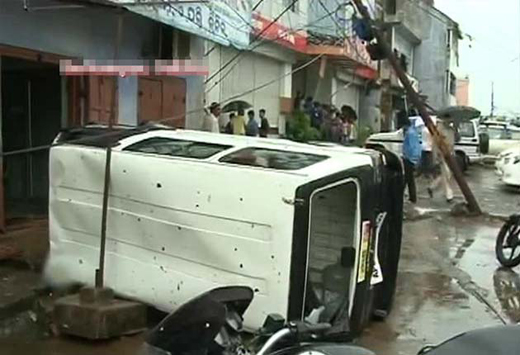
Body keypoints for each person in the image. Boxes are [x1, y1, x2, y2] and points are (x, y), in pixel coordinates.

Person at [427, 117, 455, 202]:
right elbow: (435, 144)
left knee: (447, 174)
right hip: (442, 155)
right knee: (446, 174)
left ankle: (432, 187)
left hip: (449, 154)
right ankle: (449, 195)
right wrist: (435, 156)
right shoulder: (439, 130)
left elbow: (453, 141)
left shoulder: (451, 130)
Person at [402, 117, 422, 204]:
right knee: (409, 179)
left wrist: (411, 157)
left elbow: (411, 147)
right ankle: (411, 196)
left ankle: (409, 196)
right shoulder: (413, 132)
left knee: (407, 178)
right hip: (410, 158)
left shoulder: (409, 133)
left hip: (408, 158)